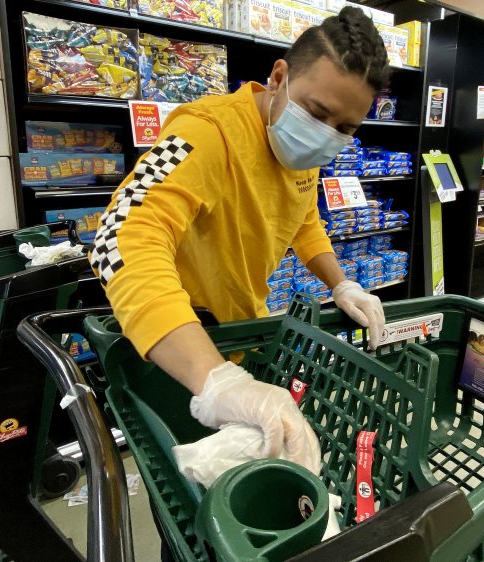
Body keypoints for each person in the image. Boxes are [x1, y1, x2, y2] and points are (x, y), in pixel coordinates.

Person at [90, 8, 389, 477]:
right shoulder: (204, 132)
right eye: (316, 113)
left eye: (346, 129)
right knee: (188, 501)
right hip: (179, 354)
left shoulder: (300, 152)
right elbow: (120, 234)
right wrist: (216, 382)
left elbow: (302, 218)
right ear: (278, 76)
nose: (325, 135)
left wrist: (341, 284)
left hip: (242, 336)